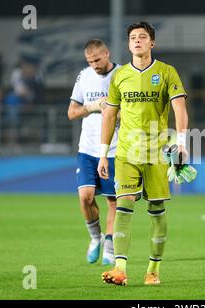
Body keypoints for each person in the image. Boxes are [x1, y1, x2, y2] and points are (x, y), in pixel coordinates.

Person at [97, 21, 189, 286]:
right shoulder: (120, 76)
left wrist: (181, 143)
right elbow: (110, 115)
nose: (137, 41)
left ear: (152, 43)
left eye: (143, 37)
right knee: (124, 204)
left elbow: (180, 110)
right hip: (126, 153)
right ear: (128, 44)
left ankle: (153, 270)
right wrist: (104, 153)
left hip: (156, 153)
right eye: (133, 38)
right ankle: (120, 268)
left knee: (156, 208)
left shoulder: (167, 72)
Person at [67, 39, 120, 265]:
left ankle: (109, 244)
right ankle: (95, 237)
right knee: (85, 196)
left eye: (97, 60)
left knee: (112, 200)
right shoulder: (84, 76)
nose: (95, 65)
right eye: (90, 61)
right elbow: (71, 112)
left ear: (106, 53)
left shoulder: (122, 75)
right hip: (88, 148)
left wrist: (113, 112)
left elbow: (132, 113)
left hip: (115, 148)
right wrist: (91, 107)